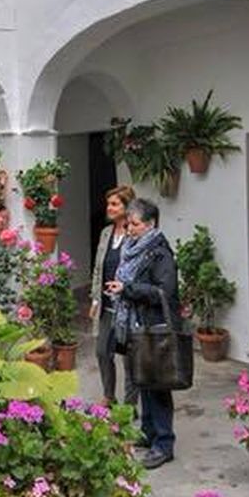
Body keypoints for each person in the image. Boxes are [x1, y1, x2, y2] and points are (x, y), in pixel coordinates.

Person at [103, 197, 178, 469]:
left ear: (150, 224)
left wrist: (128, 289)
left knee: (158, 385)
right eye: (129, 223)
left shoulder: (159, 252)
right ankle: (148, 433)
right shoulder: (135, 249)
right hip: (138, 325)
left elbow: (164, 292)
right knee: (144, 380)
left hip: (154, 326)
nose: (130, 228)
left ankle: (164, 444)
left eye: (135, 224)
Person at [88, 184, 138, 408]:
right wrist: (95, 299)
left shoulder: (136, 234)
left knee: (130, 359)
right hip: (107, 304)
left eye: (115, 204)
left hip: (128, 305)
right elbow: (99, 268)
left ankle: (129, 406)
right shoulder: (106, 233)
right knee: (102, 352)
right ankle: (109, 395)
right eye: (109, 203)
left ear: (127, 207)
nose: (109, 207)